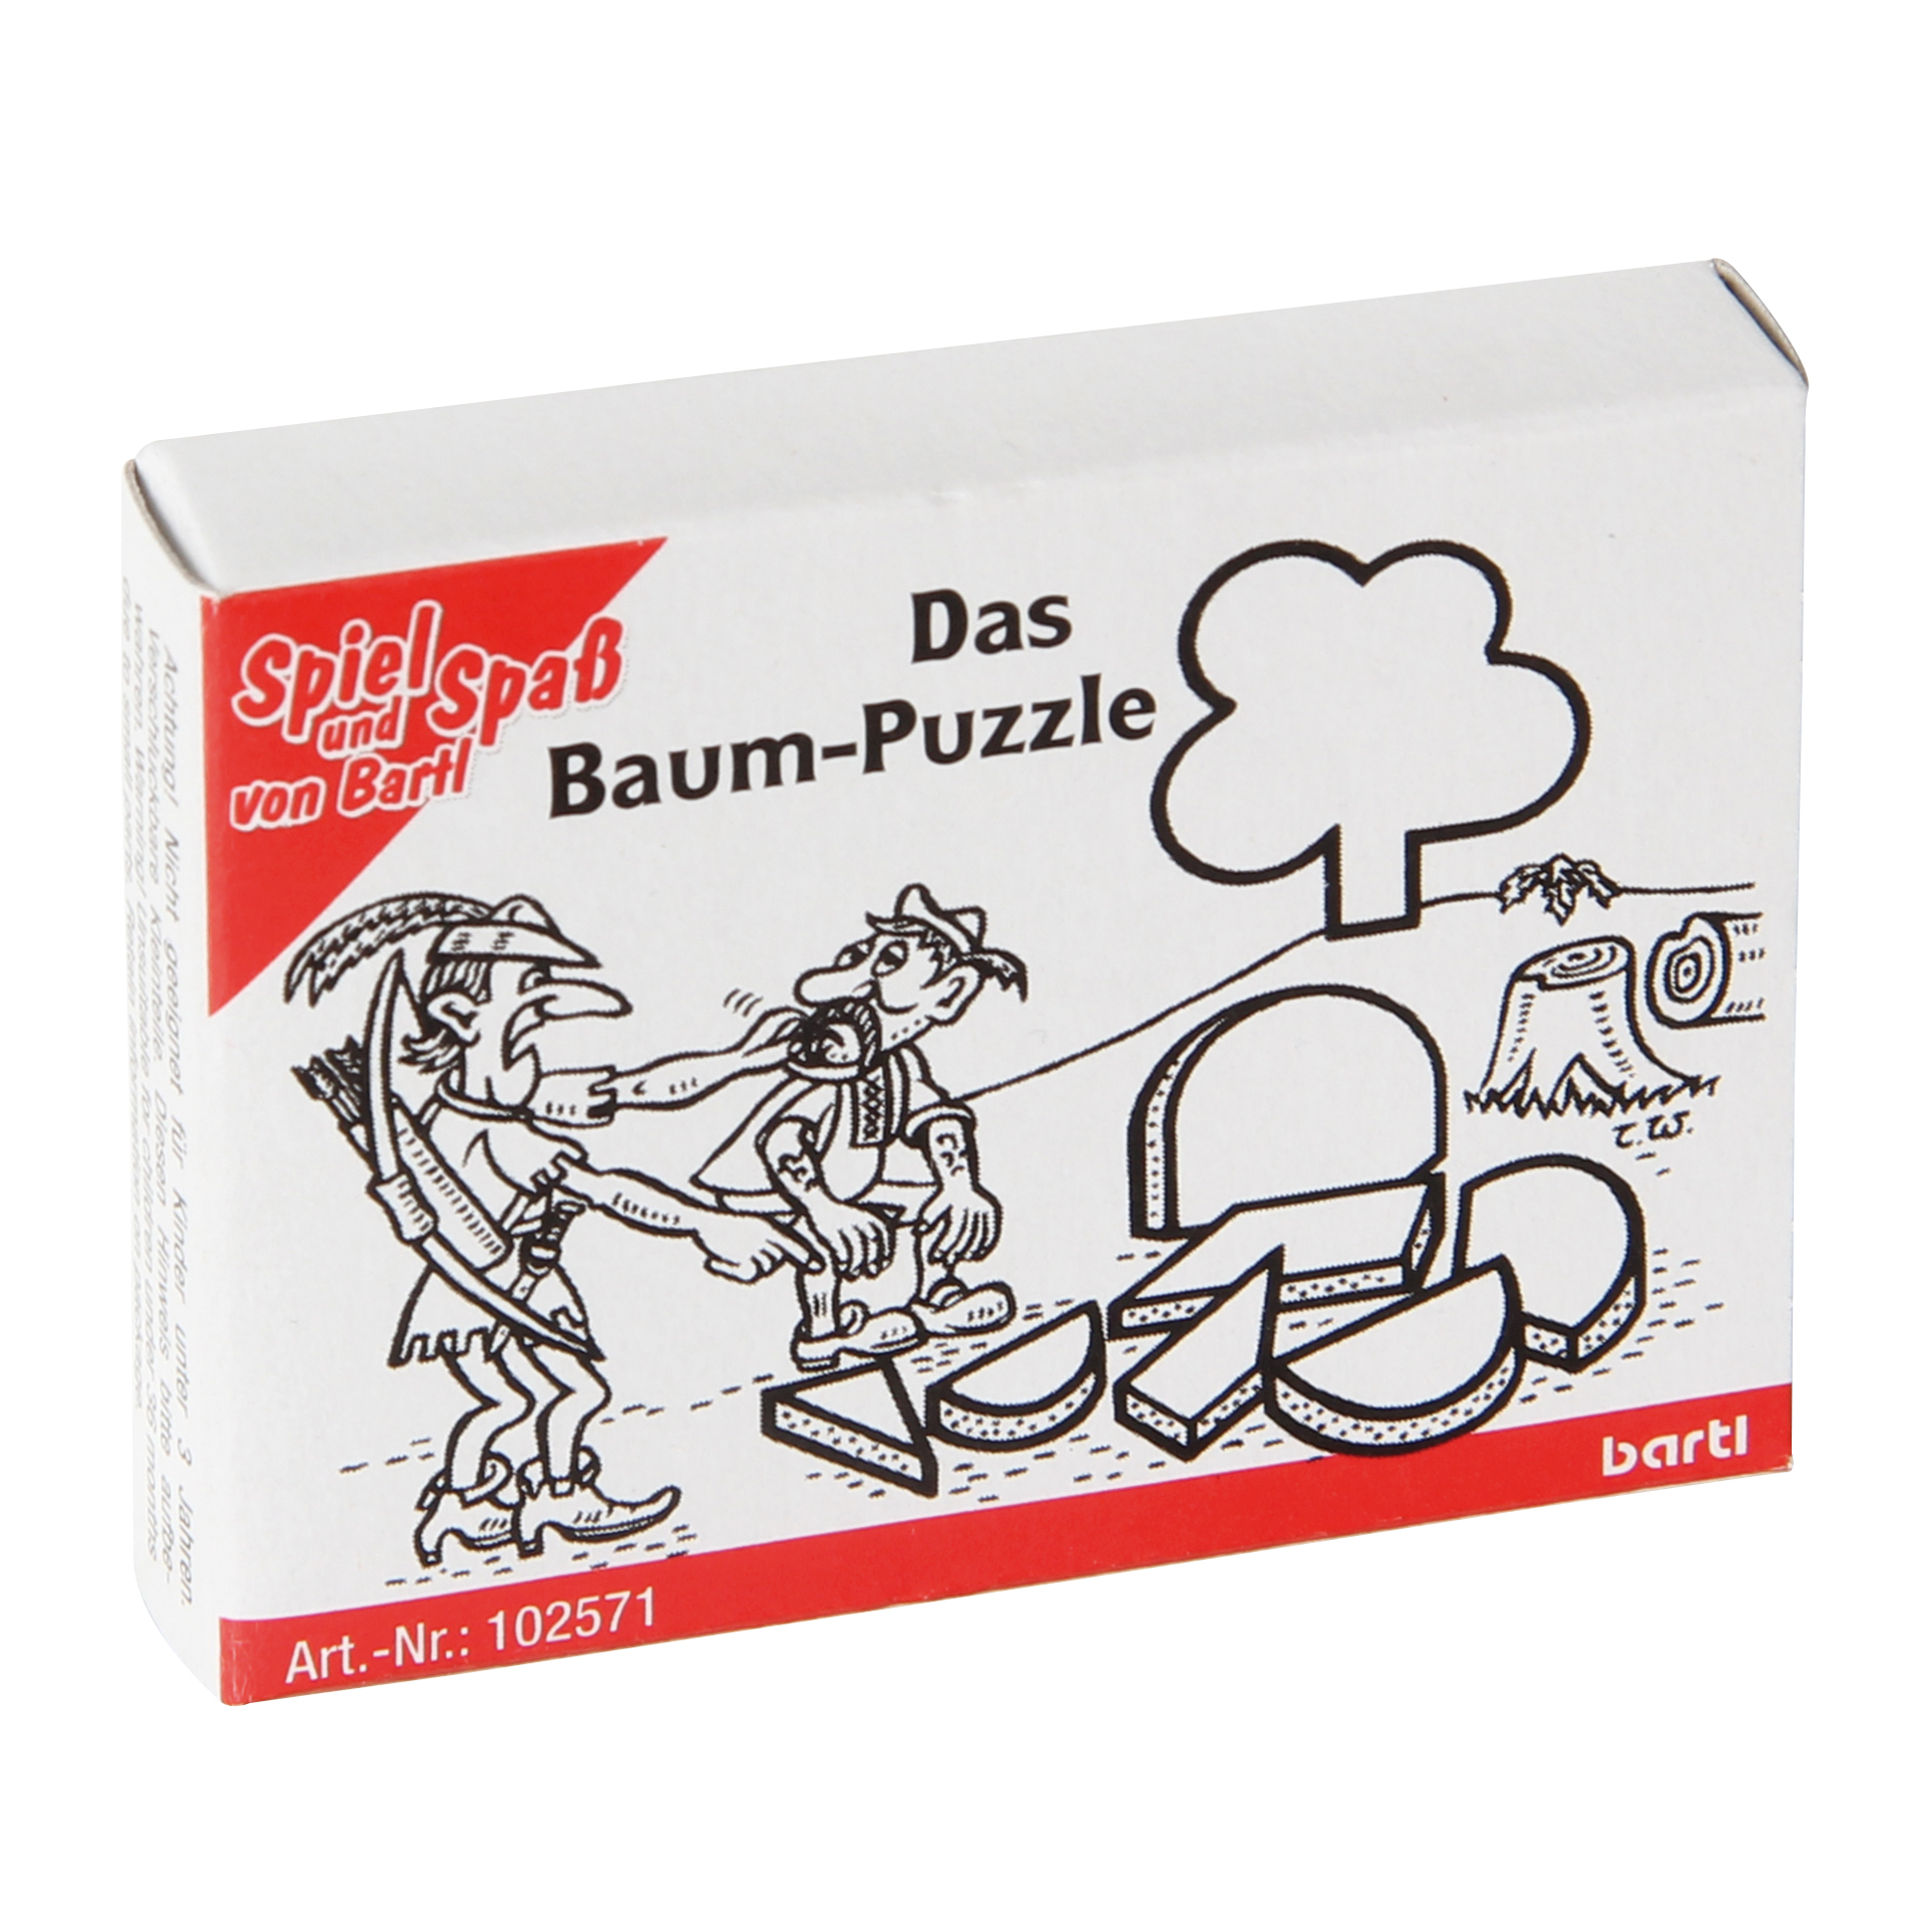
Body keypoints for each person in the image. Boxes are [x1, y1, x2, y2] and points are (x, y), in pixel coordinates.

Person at [290, 893, 811, 1565]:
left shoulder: (492, 1100)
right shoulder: (503, 1134)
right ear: (460, 1015)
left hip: (502, 1282)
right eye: (530, 997)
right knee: (573, 1391)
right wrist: (707, 1222)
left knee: (507, 1401)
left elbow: (643, 1088)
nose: (546, 1015)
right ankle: (559, 1497)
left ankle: (463, 1503)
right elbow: (608, 1189)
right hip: (495, 1286)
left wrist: (742, 1061)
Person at [639, 884, 1027, 1372]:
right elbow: (784, 1144)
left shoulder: (899, 1064)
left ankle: (937, 1293)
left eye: (890, 960)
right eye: (863, 954)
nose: (863, 969)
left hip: (848, 1181)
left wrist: (959, 1185)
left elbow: (937, 1119)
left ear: (950, 992)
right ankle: (823, 1332)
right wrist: (824, 1209)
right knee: (816, 1245)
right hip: (775, 1192)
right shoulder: (828, 1061)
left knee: (927, 1202)